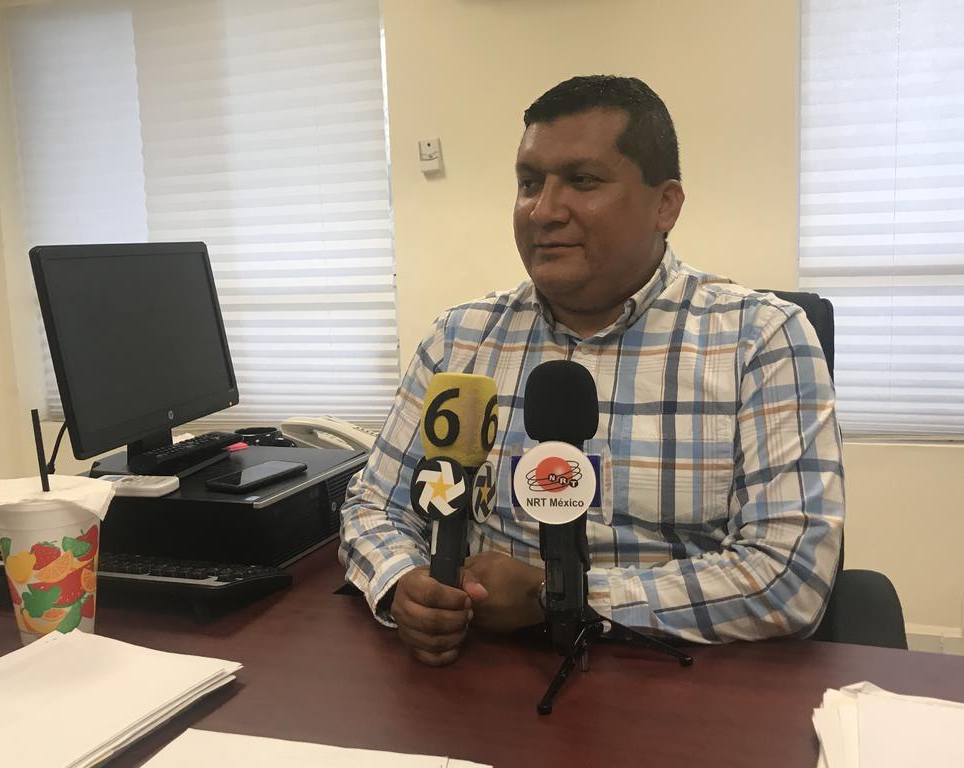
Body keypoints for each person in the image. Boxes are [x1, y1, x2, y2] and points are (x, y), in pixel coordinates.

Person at [339, 75, 845, 666]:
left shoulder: (760, 338)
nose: (543, 211)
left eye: (582, 181)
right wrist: (404, 581)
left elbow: (788, 574)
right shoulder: (460, 338)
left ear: (665, 205)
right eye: (530, 183)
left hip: (667, 671)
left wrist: (559, 597)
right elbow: (373, 505)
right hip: (480, 667)